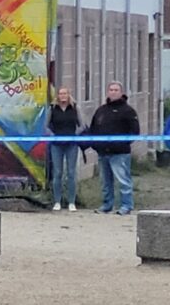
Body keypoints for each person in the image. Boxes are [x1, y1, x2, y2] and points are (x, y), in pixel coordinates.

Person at [87, 81, 140, 215]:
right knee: (105, 182)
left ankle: (126, 205)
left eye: (116, 90)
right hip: (103, 152)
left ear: (121, 93)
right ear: (107, 92)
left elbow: (135, 131)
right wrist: (96, 145)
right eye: (111, 89)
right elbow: (93, 128)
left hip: (120, 153)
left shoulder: (128, 111)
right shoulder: (101, 110)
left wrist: (121, 144)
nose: (113, 92)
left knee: (123, 180)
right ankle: (107, 205)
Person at [46, 87, 82, 212]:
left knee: (71, 173)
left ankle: (71, 202)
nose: (63, 96)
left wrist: (75, 135)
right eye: (60, 94)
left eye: (65, 93)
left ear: (68, 95)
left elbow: (82, 125)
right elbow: (46, 126)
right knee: (57, 173)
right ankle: (57, 201)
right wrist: (52, 135)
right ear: (57, 95)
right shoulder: (52, 108)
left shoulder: (75, 108)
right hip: (56, 145)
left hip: (71, 144)